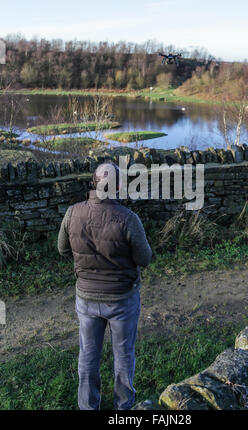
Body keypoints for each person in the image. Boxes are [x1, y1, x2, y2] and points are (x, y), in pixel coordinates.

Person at [57, 161, 152, 410]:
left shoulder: (72, 213)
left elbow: (62, 249)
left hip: (86, 297)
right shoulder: (129, 219)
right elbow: (145, 258)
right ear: (118, 186)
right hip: (121, 298)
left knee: (88, 354)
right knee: (123, 355)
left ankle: (88, 406)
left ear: (93, 183)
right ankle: (123, 408)